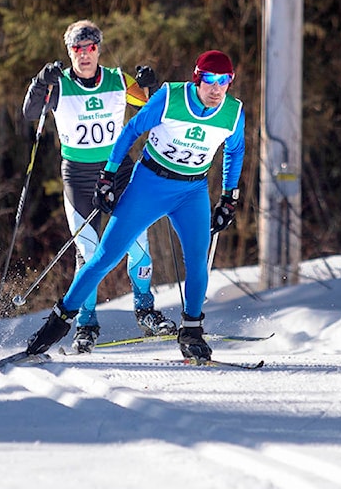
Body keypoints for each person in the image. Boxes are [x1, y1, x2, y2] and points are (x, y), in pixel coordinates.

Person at [23, 49, 245, 360]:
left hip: (192, 191)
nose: (216, 88)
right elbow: (131, 131)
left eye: (224, 81)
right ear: (197, 78)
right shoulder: (170, 98)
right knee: (104, 256)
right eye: (209, 79)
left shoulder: (233, 112)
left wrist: (229, 197)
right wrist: (108, 174)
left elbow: (235, 151)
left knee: (197, 259)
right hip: (149, 184)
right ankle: (57, 324)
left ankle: (192, 331)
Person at [22, 20, 176, 353]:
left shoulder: (119, 80)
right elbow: (30, 112)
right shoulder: (59, 85)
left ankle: (146, 309)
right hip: (78, 175)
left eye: (90, 47)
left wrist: (153, 84)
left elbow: (153, 109)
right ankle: (86, 323)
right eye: (77, 49)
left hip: (118, 170)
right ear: (69, 52)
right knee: (89, 252)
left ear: (98, 49)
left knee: (139, 242)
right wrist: (39, 83)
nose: (84, 54)